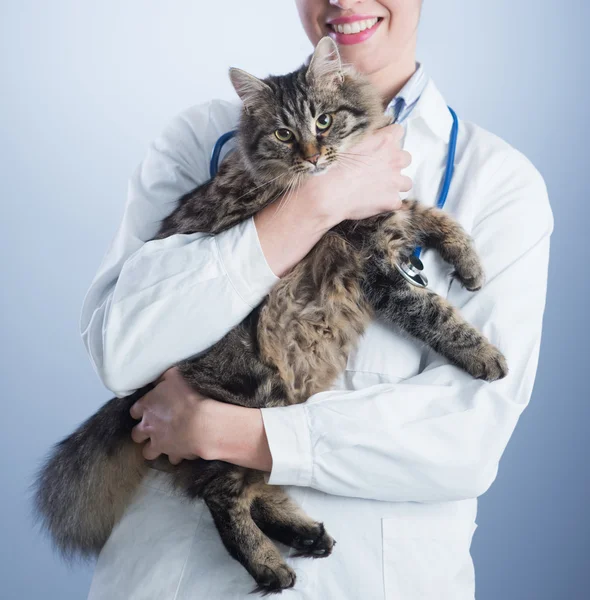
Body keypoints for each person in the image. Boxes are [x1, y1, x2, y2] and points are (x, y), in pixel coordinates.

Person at [80, 1, 553, 598]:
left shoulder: (501, 182)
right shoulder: (198, 138)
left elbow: (466, 436)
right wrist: (311, 206)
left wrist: (223, 431)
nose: (344, 1)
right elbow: (119, 349)